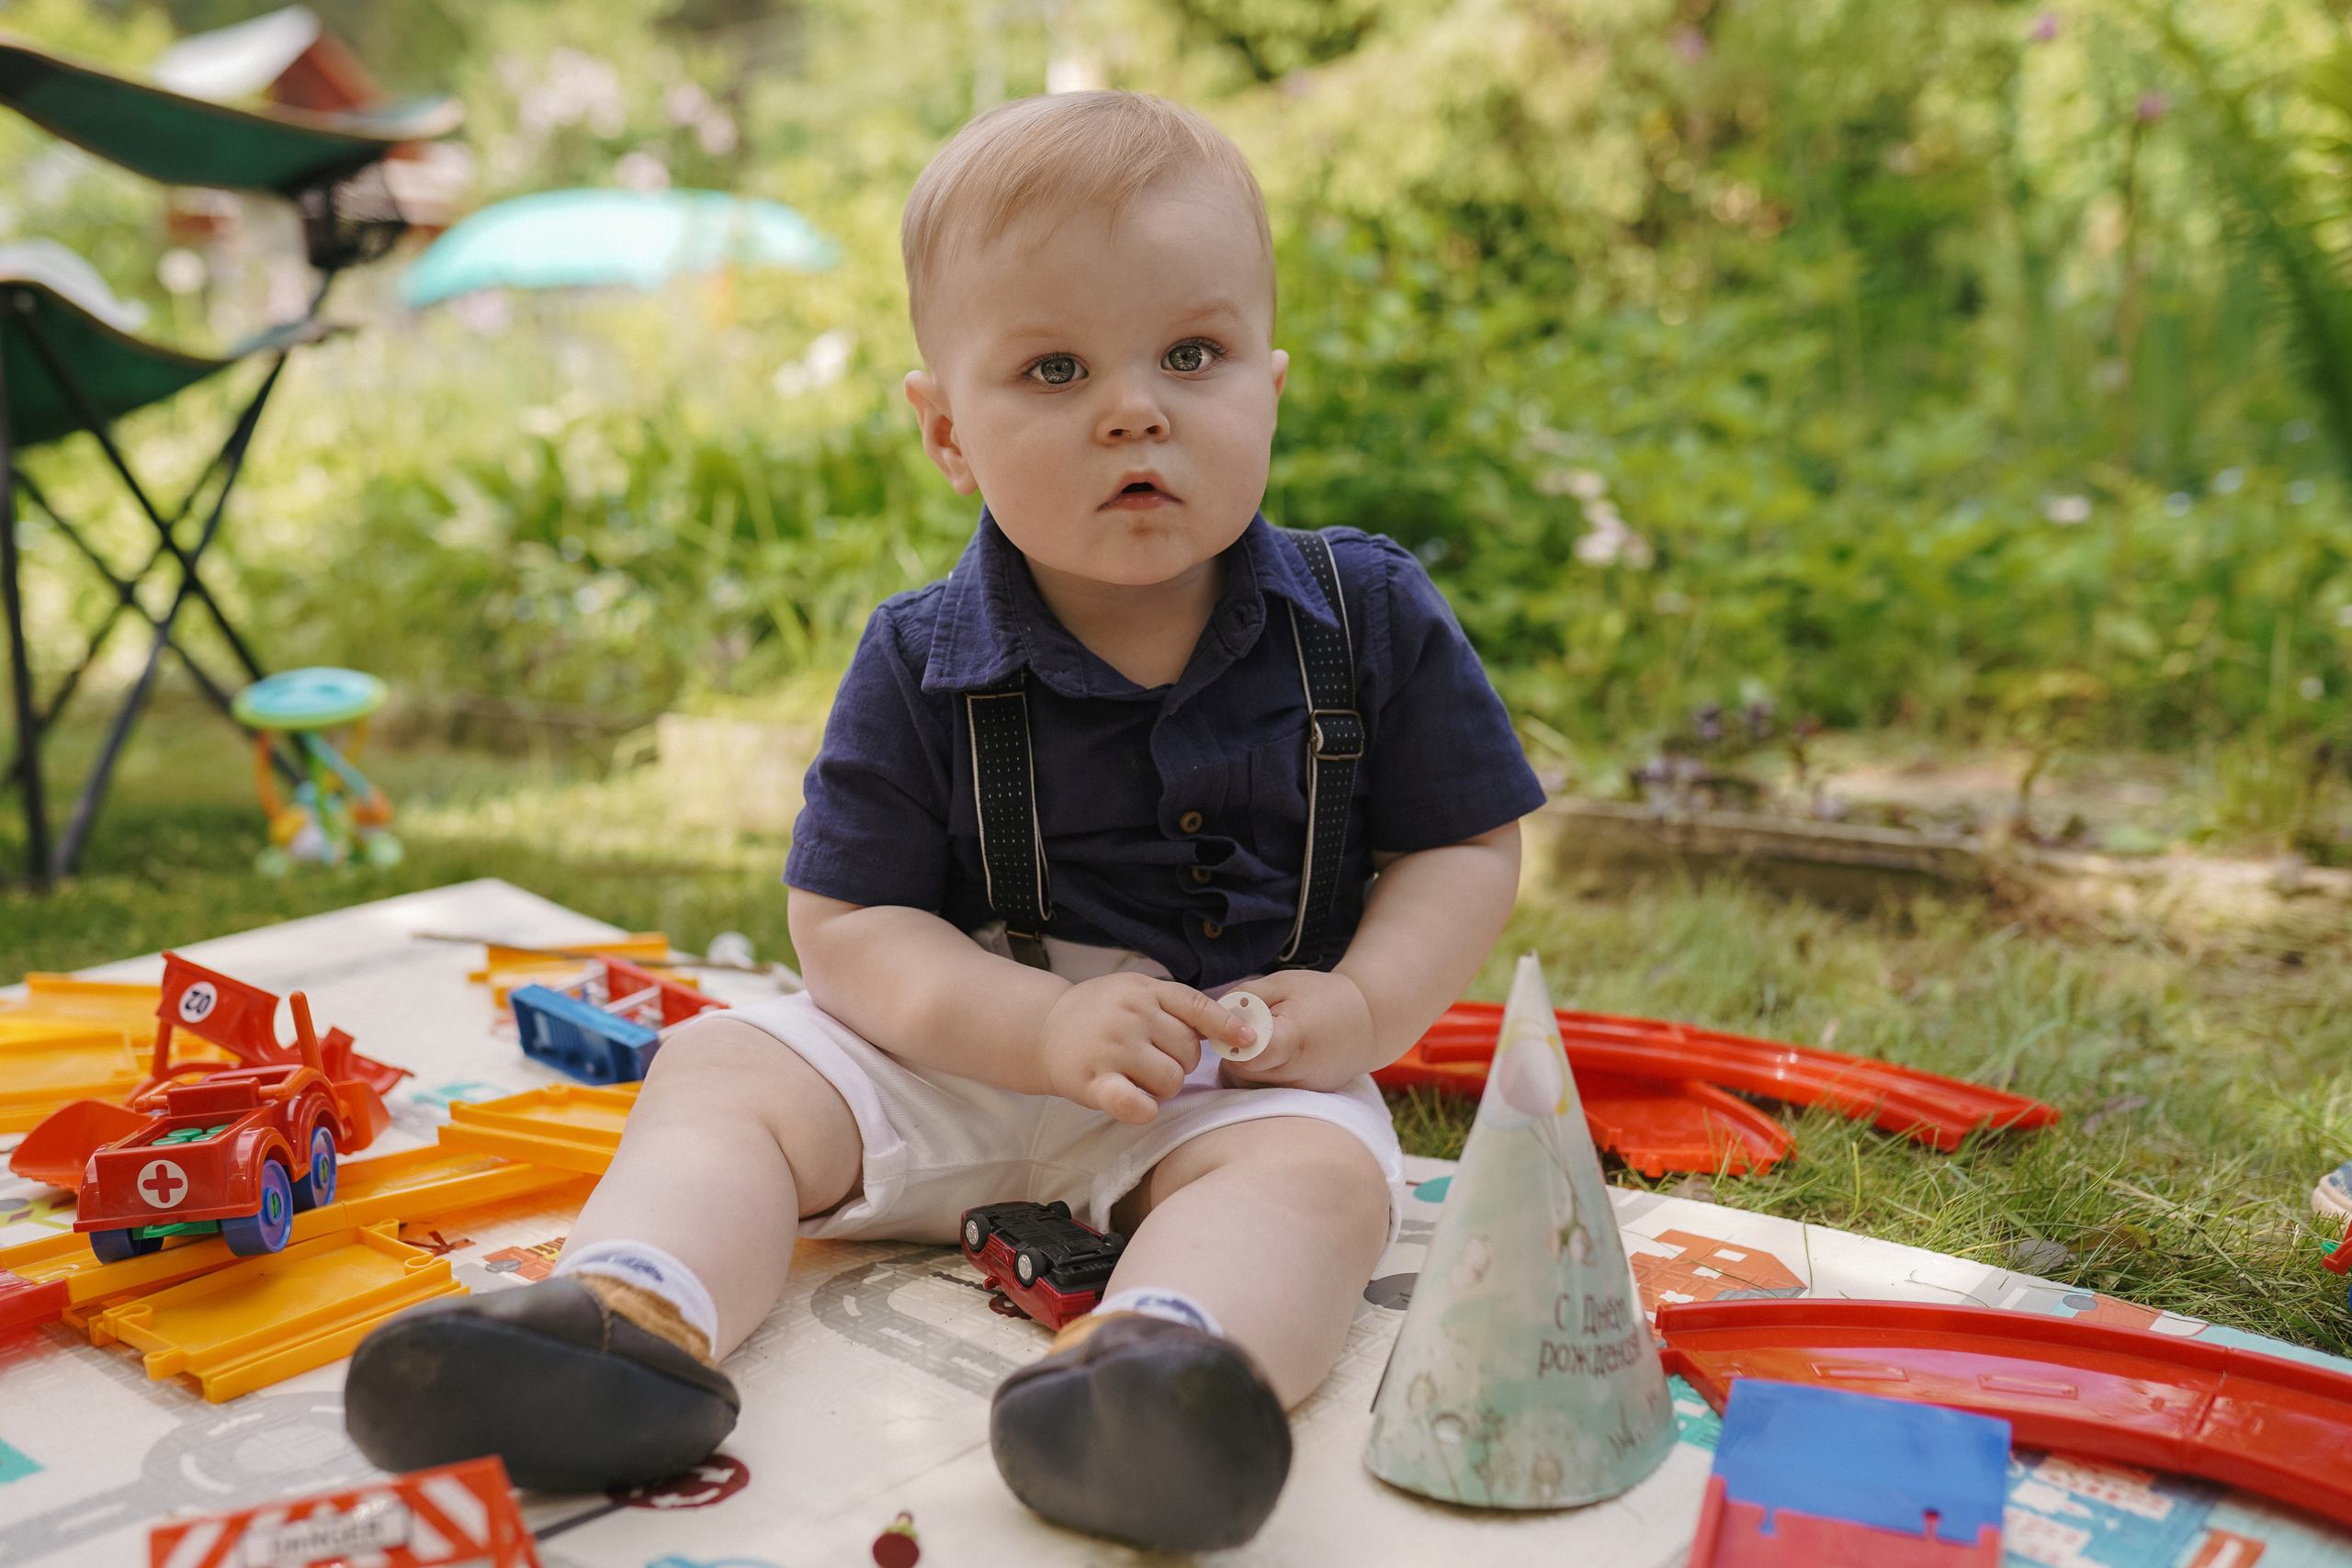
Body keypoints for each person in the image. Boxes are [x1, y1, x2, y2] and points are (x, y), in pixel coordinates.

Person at [345, 89, 1542, 1552]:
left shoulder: (1365, 621)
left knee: (1319, 1181)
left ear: (1270, 387)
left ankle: (1156, 1369)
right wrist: (1028, 1032)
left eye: (1193, 353)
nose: (1135, 406)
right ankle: (629, 1314)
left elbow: (1465, 843)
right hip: (953, 1047)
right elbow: (848, 925)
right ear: (946, 430)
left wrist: (1359, 1009)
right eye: (1054, 367)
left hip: (1228, 1075)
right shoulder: (922, 657)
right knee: (729, 1064)